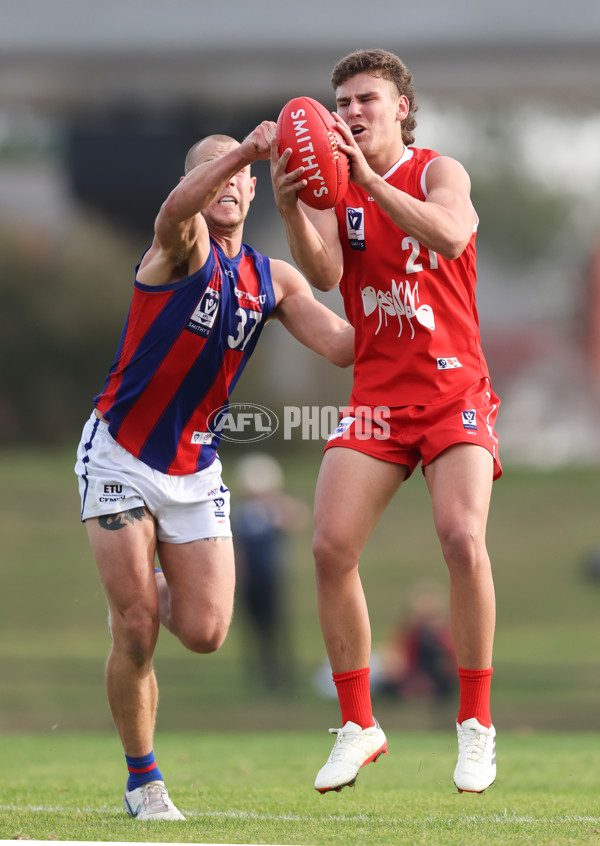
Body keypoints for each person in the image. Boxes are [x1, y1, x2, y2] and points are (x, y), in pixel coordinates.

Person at [74, 122, 353, 820]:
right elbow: (174, 211)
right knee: (137, 629)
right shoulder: (180, 245)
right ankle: (145, 783)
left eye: (239, 178)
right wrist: (244, 150)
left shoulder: (272, 277)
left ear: (255, 191)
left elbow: (342, 347)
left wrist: (411, 301)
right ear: (199, 184)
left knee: (204, 632)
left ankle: (146, 580)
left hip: (196, 469)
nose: (228, 184)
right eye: (214, 174)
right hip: (121, 456)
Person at [271, 48, 501, 795]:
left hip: (453, 389)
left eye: (366, 98)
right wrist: (292, 209)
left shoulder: (439, 171)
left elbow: (452, 235)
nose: (350, 112)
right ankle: (359, 724)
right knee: (331, 545)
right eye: (341, 102)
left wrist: (369, 182)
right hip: (378, 395)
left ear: (401, 106)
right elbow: (330, 274)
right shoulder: (336, 192)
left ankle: (474, 724)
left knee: (462, 538)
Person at [231, 452, 309, 692]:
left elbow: (298, 517)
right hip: (248, 582)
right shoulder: (239, 513)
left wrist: (273, 498)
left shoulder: (274, 511)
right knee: (253, 630)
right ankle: (259, 675)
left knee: (277, 627)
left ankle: (284, 675)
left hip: (271, 579)